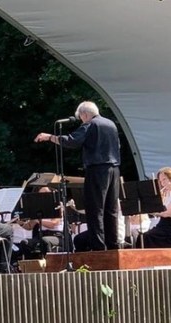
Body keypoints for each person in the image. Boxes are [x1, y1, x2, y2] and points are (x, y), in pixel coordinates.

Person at [35, 101, 121, 251]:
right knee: (111, 209)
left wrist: (50, 137)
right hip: (114, 169)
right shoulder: (111, 124)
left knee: (95, 209)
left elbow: (72, 141)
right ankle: (113, 246)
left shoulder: (91, 124)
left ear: (84, 114)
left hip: (97, 169)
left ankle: (99, 248)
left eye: (81, 117)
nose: (81, 120)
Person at [140, 167, 171, 248]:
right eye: (161, 180)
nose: (162, 183)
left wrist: (154, 212)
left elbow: (167, 213)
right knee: (143, 237)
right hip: (163, 225)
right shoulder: (167, 193)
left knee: (148, 237)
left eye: (164, 179)